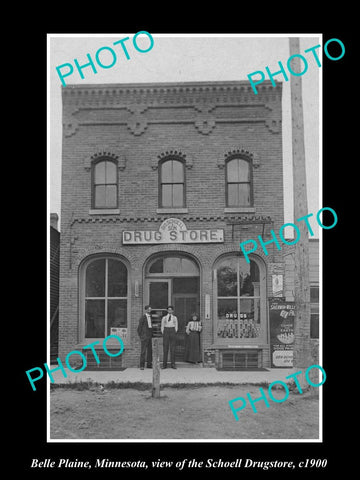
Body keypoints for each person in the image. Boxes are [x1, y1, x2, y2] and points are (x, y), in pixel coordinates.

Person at [137, 305, 153, 370]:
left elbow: (150, 327)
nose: (150, 310)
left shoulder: (150, 317)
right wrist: (141, 336)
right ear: (146, 310)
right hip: (144, 337)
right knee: (143, 351)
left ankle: (149, 364)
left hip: (149, 336)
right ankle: (142, 365)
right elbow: (139, 328)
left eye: (150, 309)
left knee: (150, 351)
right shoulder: (143, 318)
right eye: (149, 309)